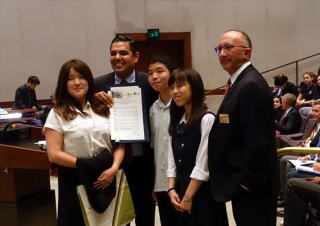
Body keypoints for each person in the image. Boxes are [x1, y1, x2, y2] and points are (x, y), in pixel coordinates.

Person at [208, 29, 278, 226]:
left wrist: (246, 182)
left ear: (246, 53)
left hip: (253, 186)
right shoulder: (238, 81)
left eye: (228, 47)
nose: (222, 53)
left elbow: (259, 142)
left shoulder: (250, 85)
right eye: (219, 48)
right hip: (245, 182)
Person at [44, 59, 125, 226]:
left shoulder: (103, 107)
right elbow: (53, 154)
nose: (77, 82)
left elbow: (119, 143)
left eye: (81, 77)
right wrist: (86, 165)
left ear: (89, 80)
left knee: (111, 221)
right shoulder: (57, 112)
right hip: (74, 176)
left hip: (107, 175)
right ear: (63, 84)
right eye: (70, 78)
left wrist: (114, 168)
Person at [93, 35, 157, 226]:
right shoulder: (97, 85)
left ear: (136, 57)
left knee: (145, 212)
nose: (117, 57)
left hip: (144, 161)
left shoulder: (150, 83)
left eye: (123, 53)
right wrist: (94, 101)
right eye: (113, 53)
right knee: (116, 217)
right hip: (110, 164)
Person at [167, 68, 228, 226]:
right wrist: (171, 189)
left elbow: (203, 165)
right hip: (181, 192)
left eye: (180, 86)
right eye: (172, 87)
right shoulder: (178, 121)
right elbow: (171, 160)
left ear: (194, 87)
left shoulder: (207, 119)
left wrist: (188, 197)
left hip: (202, 195)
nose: (174, 91)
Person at [148, 54, 178, 226]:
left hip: (182, 180)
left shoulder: (183, 105)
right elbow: (156, 149)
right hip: (162, 181)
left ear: (172, 73)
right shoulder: (153, 109)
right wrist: (155, 181)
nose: (154, 77)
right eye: (150, 73)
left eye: (160, 71)